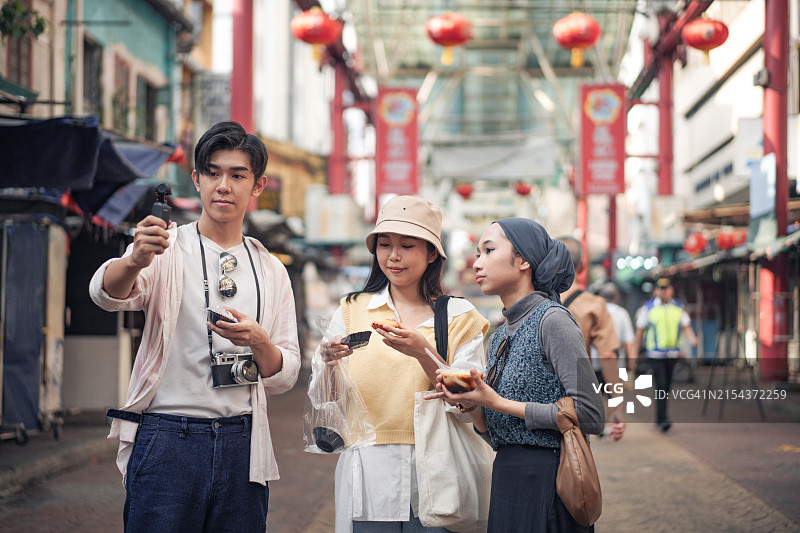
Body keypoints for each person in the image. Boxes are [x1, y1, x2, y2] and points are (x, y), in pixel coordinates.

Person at [89, 121, 301, 532]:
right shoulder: (164, 247)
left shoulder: (272, 270)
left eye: (238, 175)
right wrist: (134, 260)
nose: (224, 185)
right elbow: (106, 295)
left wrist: (259, 340)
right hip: (169, 437)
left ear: (257, 186)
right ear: (197, 180)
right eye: (214, 173)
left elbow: (284, 373)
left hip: (243, 440)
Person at [318, 195, 490, 532]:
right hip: (367, 471)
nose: (393, 256)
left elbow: (469, 405)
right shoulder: (353, 310)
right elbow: (329, 399)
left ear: (431, 254)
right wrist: (328, 363)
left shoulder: (459, 317)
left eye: (407, 245)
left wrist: (423, 353)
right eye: (384, 244)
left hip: (435, 470)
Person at [430, 218, 605, 533]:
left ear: (523, 260)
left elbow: (591, 413)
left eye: (488, 250)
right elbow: (496, 433)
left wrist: (498, 402)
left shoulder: (555, 321)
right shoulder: (499, 334)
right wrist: (471, 402)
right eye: (477, 253)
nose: (477, 262)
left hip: (551, 479)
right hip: (509, 478)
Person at [557, 237, 625, 442]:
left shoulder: (534, 299)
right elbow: (608, 355)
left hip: (533, 403)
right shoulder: (594, 305)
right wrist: (617, 407)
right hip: (574, 401)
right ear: (583, 265)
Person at [634, 277, 697, 432]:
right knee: (661, 384)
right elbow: (640, 331)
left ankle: (660, 417)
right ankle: (663, 419)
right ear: (656, 291)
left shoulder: (678, 307)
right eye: (661, 289)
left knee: (666, 386)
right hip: (655, 354)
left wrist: (693, 338)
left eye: (667, 288)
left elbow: (686, 325)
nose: (664, 292)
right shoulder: (648, 308)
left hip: (673, 353)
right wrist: (634, 352)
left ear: (671, 290)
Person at [595, 282, 637, 383]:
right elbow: (628, 341)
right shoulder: (622, 313)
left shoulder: (595, 311)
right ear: (617, 297)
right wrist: (631, 362)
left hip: (596, 361)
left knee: (597, 395)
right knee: (614, 396)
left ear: (601, 296)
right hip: (616, 362)